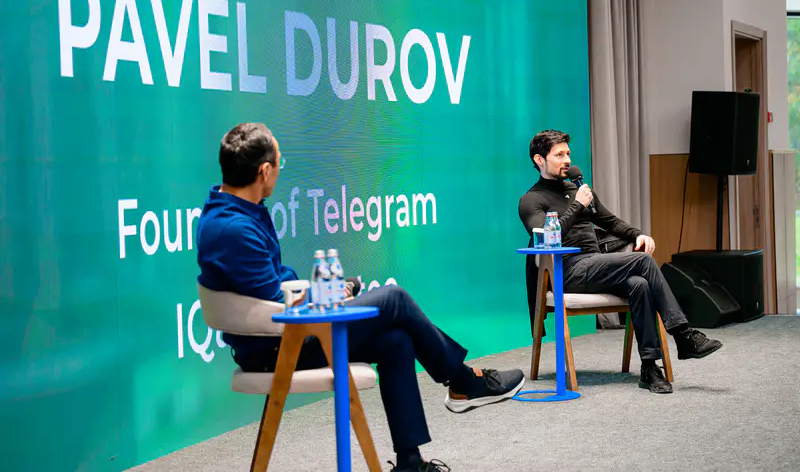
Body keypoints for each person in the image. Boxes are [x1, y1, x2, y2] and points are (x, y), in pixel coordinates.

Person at [196, 123, 525, 472]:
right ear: (264, 171)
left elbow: (275, 287)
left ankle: (410, 463)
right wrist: (322, 293)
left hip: (285, 335)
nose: (280, 169)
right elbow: (278, 305)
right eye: (280, 163)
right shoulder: (233, 228)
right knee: (394, 299)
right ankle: (462, 381)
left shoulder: (237, 211)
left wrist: (326, 290)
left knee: (397, 342)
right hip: (279, 348)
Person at [517, 129, 723, 394]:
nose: (567, 160)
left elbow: (610, 222)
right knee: (642, 262)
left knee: (639, 284)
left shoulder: (578, 190)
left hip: (594, 264)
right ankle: (683, 335)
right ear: (539, 160)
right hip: (564, 271)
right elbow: (546, 239)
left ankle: (650, 367)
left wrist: (638, 234)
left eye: (568, 153)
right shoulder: (531, 200)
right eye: (559, 155)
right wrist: (577, 206)